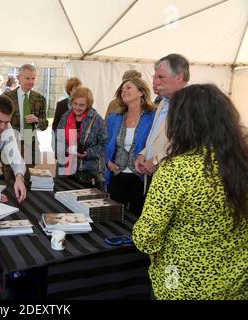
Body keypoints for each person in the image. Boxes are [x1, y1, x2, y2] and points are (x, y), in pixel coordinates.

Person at [132, 84, 248, 299]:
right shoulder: (241, 163)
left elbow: (145, 236)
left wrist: (160, 251)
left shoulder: (176, 169)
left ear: (182, 123)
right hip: (236, 282)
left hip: (177, 281)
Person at [134, 54, 189, 192]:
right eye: (155, 76)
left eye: (161, 77)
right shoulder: (162, 102)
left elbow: (185, 147)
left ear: (179, 77)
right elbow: (156, 135)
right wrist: (143, 154)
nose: (155, 81)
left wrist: (155, 161)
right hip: (153, 176)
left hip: (174, 182)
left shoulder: (190, 105)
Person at [106, 77, 155, 216]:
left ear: (141, 92)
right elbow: (107, 143)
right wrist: (108, 162)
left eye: (128, 87)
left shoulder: (152, 117)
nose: (124, 91)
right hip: (117, 175)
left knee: (137, 218)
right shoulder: (114, 118)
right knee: (114, 218)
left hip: (141, 178)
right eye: (122, 89)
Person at [4, 64, 48, 180]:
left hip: (30, 142)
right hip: (11, 142)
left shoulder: (40, 99)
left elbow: (44, 125)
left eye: (33, 78)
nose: (31, 82)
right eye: (27, 78)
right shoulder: (6, 97)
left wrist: (37, 120)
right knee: (9, 177)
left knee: (28, 178)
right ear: (19, 78)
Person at [56, 87, 108, 176]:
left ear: (88, 105)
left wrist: (88, 153)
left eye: (81, 105)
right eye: (75, 103)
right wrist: (66, 148)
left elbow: (104, 144)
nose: (77, 107)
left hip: (88, 172)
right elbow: (57, 140)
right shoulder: (65, 117)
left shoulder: (97, 120)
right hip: (65, 169)